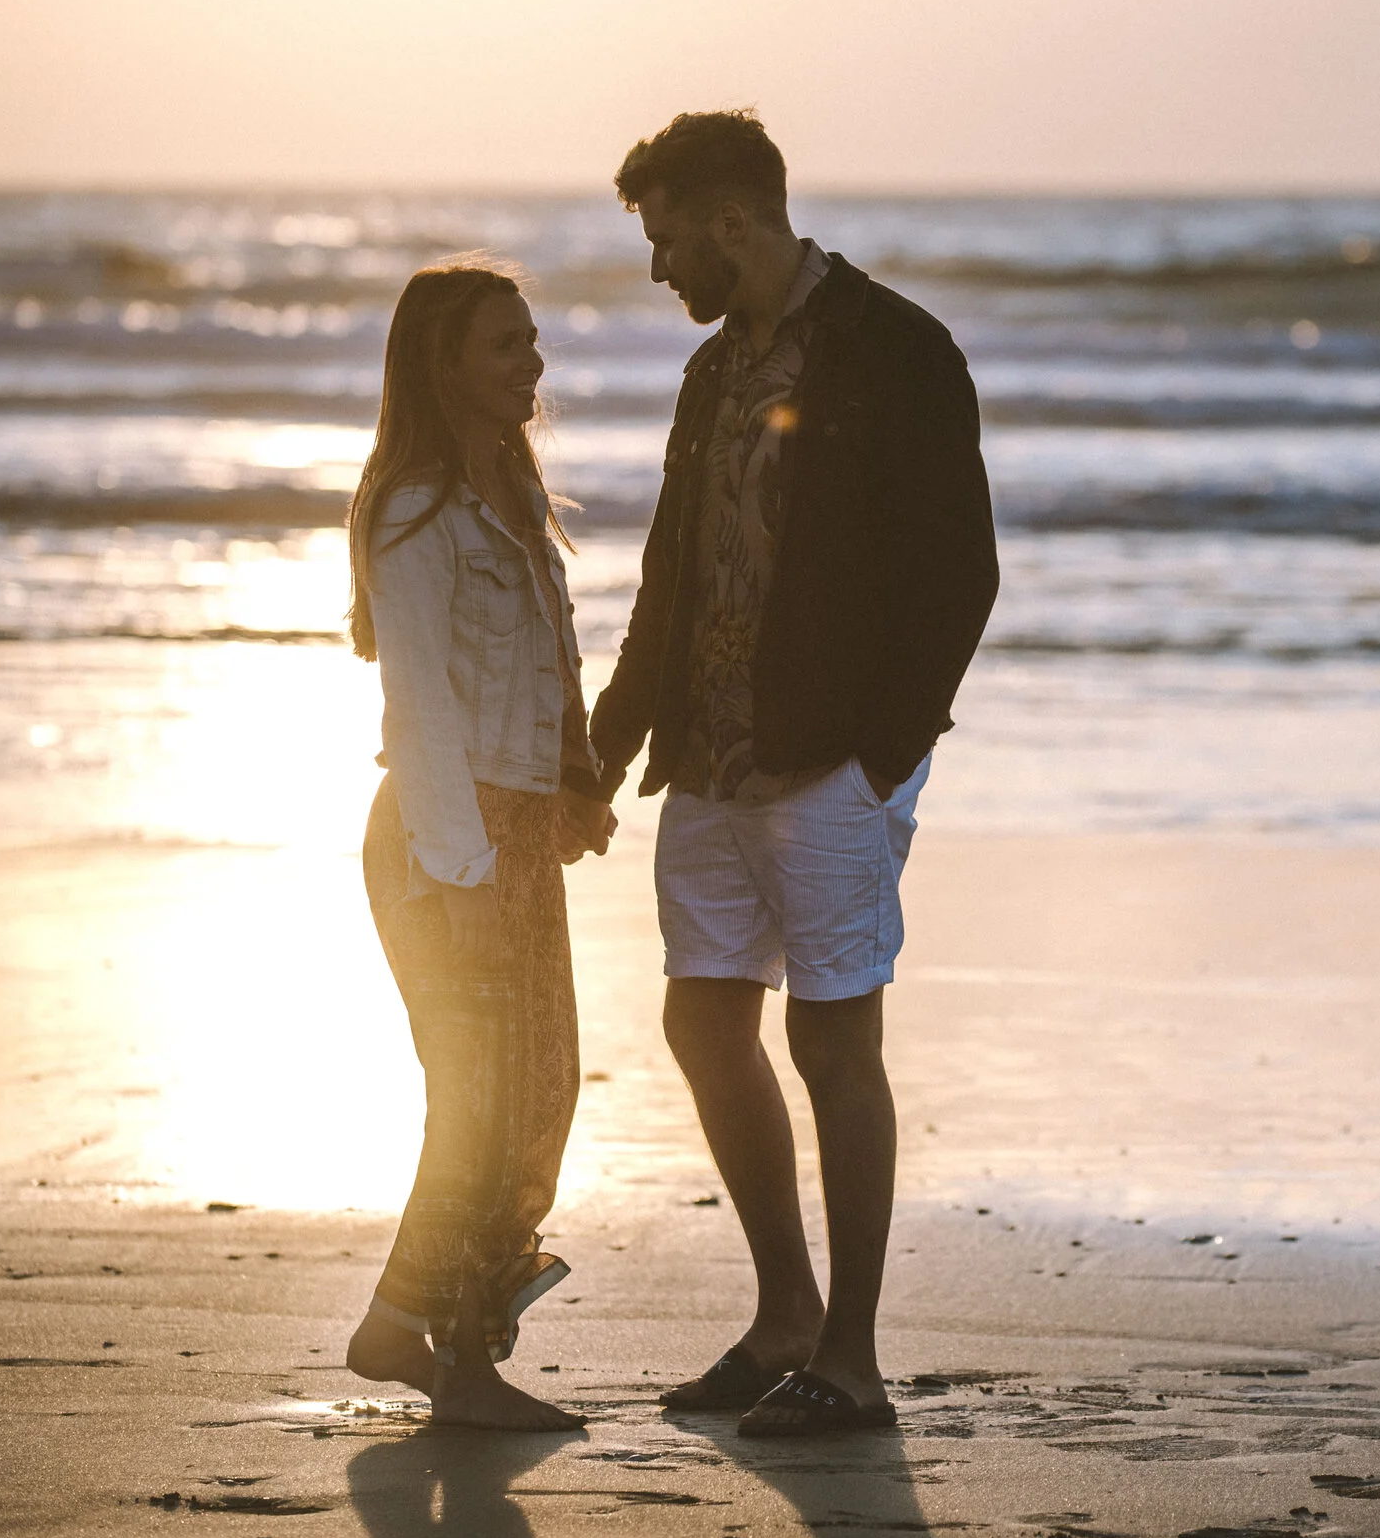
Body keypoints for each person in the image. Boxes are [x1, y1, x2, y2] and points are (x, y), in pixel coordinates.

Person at [589, 111, 998, 1437]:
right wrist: (609, 741)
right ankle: (782, 1318)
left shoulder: (898, 351)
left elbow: (961, 574)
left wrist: (880, 753)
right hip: (704, 759)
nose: (657, 270)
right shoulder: (714, 376)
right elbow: (672, 572)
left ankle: (855, 1362)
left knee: (832, 1035)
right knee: (704, 1020)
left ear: (730, 221)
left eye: (665, 241)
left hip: (830, 763)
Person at [339, 257, 616, 1431]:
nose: (532, 361)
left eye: (533, 339)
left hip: (510, 831)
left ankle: (431, 1327)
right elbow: (424, 711)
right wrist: (460, 871)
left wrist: (576, 781)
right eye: (506, 344)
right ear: (442, 364)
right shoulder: (412, 511)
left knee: (539, 1085)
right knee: (481, 1096)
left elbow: (548, 663)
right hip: (440, 839)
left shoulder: (508, 488)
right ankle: (440, 1348)